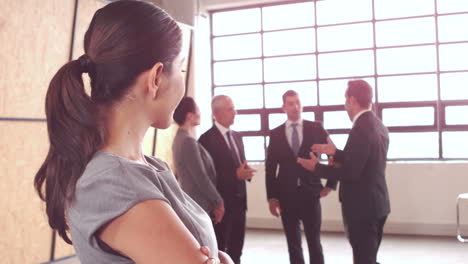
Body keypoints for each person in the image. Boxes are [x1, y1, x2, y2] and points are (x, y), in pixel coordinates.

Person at [33, 1, 232, 263]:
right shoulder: (111, 184)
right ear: (156, 78)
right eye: (181, 69)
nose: (183, 80)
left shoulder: (146, 167)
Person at [297, 80, 390, 264]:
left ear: (352, 99)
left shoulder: (361, 128)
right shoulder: (377, 124)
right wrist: (336, 153)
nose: (344, 105)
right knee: (368, 257)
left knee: (364, 259)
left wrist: (316, 168)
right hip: (377, 203)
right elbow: (363, 160)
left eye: (345, 99)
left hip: (362, 207)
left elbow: (351, 172)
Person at [265, 90, 337, 264]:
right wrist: (272, 197)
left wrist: (331, 184)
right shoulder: (275, 134)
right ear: (283, 107)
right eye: (291, 103)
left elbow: (333, 154)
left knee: (314, 241)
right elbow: (270, 169)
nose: (296, 107)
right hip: (286, 196)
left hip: (311, 193)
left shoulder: (316, 128)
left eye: (298, 102)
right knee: (293, 243)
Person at [199, 95, 256, 264]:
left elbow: (240, 164)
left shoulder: (238, 137)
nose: (235, 112)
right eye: (230, 109)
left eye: (234, 108)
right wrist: (234, 175)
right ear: (216, 113)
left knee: (237, 248)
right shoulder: (206, 139)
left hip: (240, 201)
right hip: (221, 204)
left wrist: (245, 172)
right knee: (221, 249)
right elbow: (207, 176)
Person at [172, 97, 225, 224]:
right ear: (189, 115)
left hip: (191, 200)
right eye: (198, 110)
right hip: (197, 202)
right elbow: (200, 176)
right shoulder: (188, 141)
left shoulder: (180, 138)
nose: (200, 113)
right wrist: (218, 201)